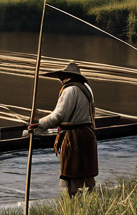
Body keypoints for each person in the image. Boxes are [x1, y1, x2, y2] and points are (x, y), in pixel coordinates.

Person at [29, 62, 98, 197]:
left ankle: (75, 209)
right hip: (87, 135)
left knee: (74, 178)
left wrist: (40, 124)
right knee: (87, 177)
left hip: (75, 138)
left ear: (68, 77)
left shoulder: (70, 90)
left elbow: (59, 116)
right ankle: (91, 206)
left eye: (63, 76)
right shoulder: (85, 88)